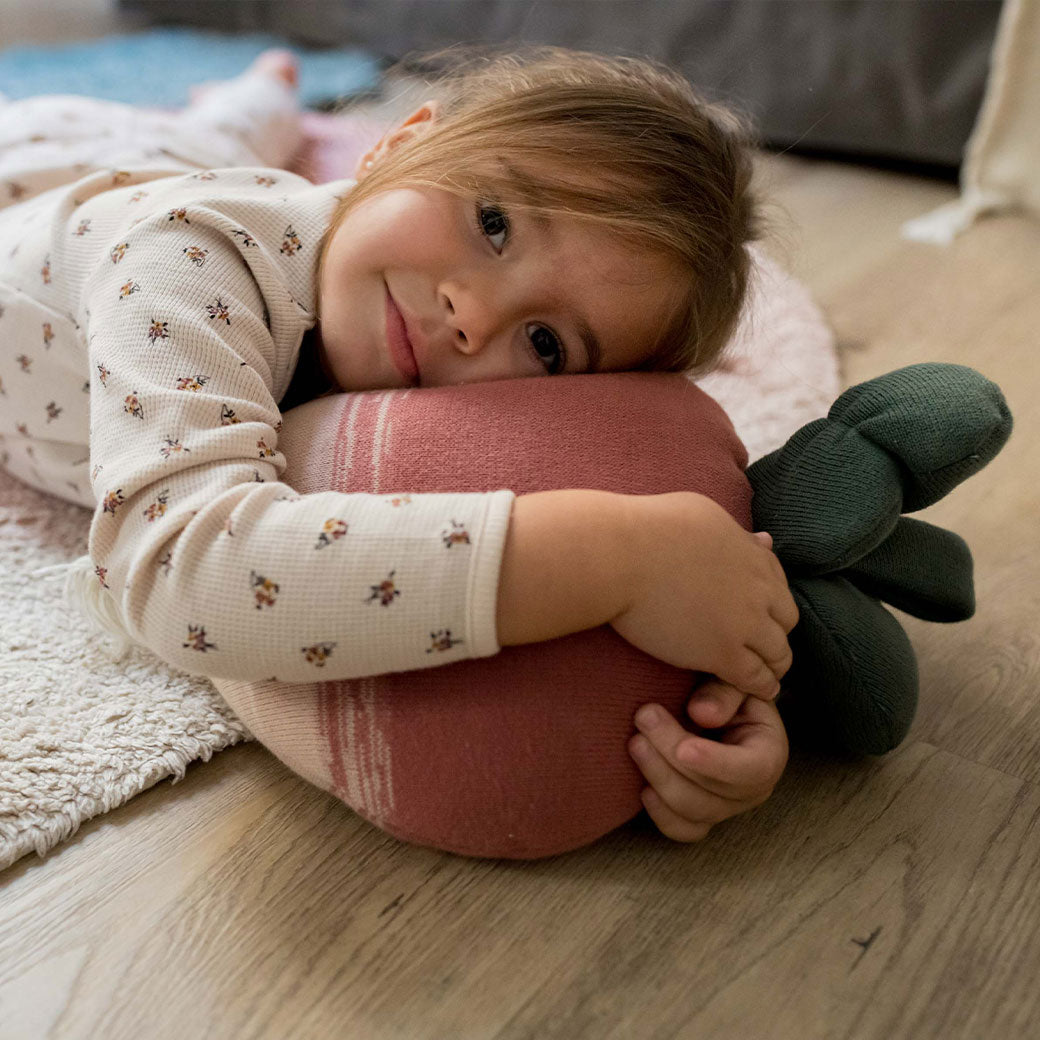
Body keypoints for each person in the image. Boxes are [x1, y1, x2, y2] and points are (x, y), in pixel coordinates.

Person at [0, 46, 797, 844]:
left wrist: (719, 696)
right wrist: (615, 558)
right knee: (204, 144)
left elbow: (641, 503)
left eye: (547, 345)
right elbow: (182, 576)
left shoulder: (414, 334)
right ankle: (260, 93)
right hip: (41, 175)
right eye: (494, 223)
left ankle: (251, 106)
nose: (472, 316)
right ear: (401, 141)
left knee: (209, 147)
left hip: (177, 168)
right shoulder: (181, 259)